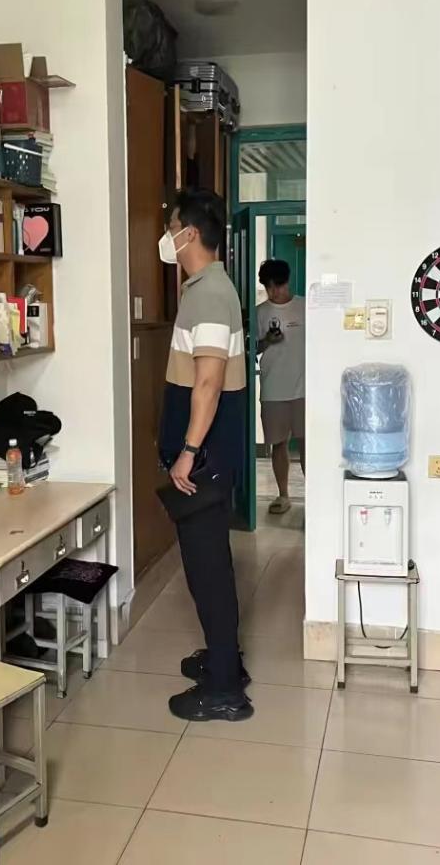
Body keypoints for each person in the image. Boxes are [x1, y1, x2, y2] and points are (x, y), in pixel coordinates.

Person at [157, 187, 254, 722]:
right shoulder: (205, 289)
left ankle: (225, 690)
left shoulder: (210, 294)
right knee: (208, 563)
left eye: (172, 226)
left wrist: (188, 451)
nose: (167, 236)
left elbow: (209, 382)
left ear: (190, 233)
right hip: (205, 455)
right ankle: (224, 660)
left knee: (208, 569)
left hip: (204, 459)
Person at [256, 259, 305, 514]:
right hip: (273, 388)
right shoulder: (260, 312)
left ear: (287, 282)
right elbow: (251, 349)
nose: (274, 292)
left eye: (278, 286)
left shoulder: (305, 307)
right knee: (278, 444)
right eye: (269, 287)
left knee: (307, 443)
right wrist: (266, 340)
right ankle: (283, 495)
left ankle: (313, 497)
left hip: (305, 389)